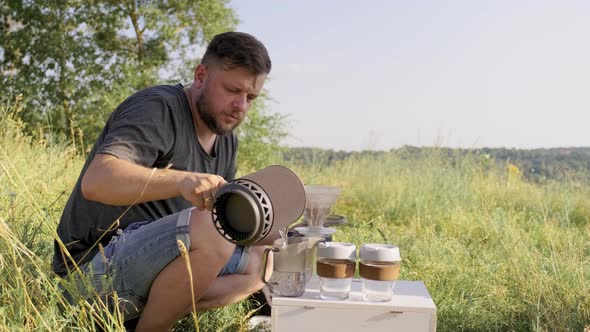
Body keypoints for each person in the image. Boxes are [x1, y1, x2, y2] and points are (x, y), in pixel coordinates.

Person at [52, 31, 274, 331]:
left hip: (152, 264)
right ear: (200, 75)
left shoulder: (226, 138)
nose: (241, 106)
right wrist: (182, 181)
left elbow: (221, 222)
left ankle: (156, 312)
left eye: (250, 97)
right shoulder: (158, 108)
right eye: (233, 90)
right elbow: (96, 180)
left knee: (265, 261)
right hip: (87, 275)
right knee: (211, 234)